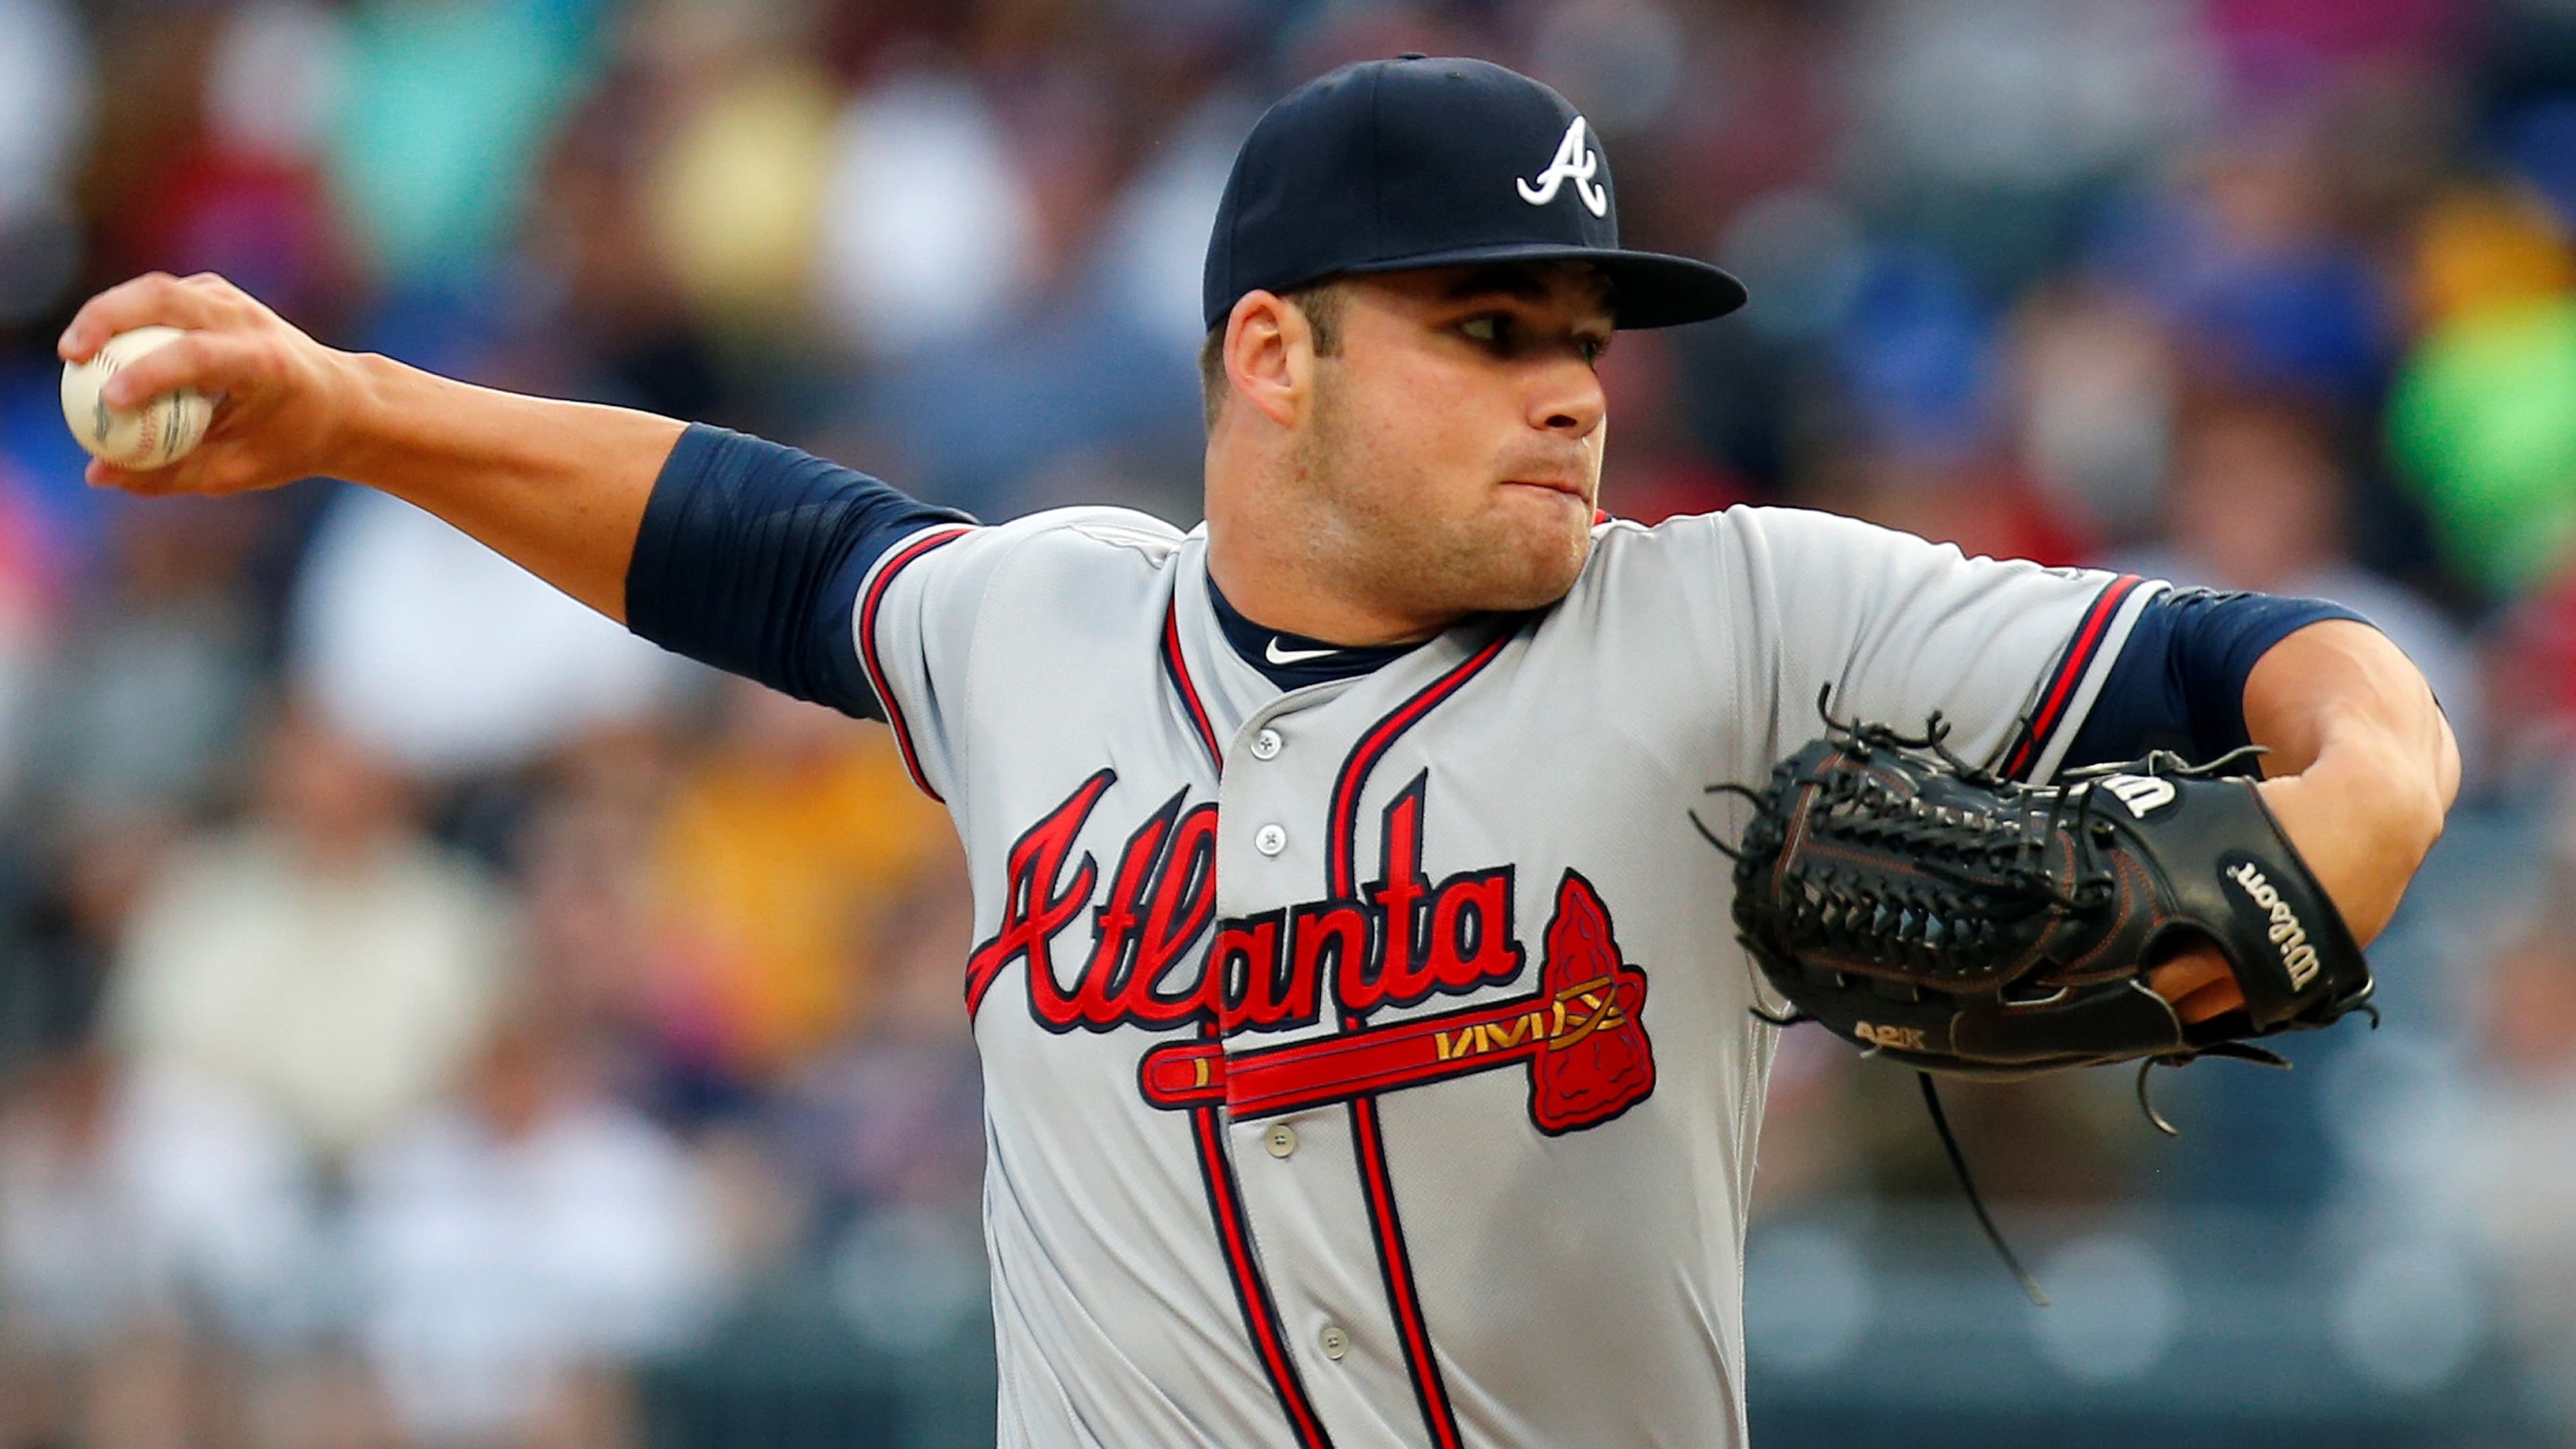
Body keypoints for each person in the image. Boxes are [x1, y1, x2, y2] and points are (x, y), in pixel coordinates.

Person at [58, 55, 2457, 1449]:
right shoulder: (1042, 629)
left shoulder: (1739, 615)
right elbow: (756, 542)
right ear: (1270, 357)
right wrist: (357, 407)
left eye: (1590, 336)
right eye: (1489, 324)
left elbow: (2285, 659)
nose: (1568, 386)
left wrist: (2362, 795)